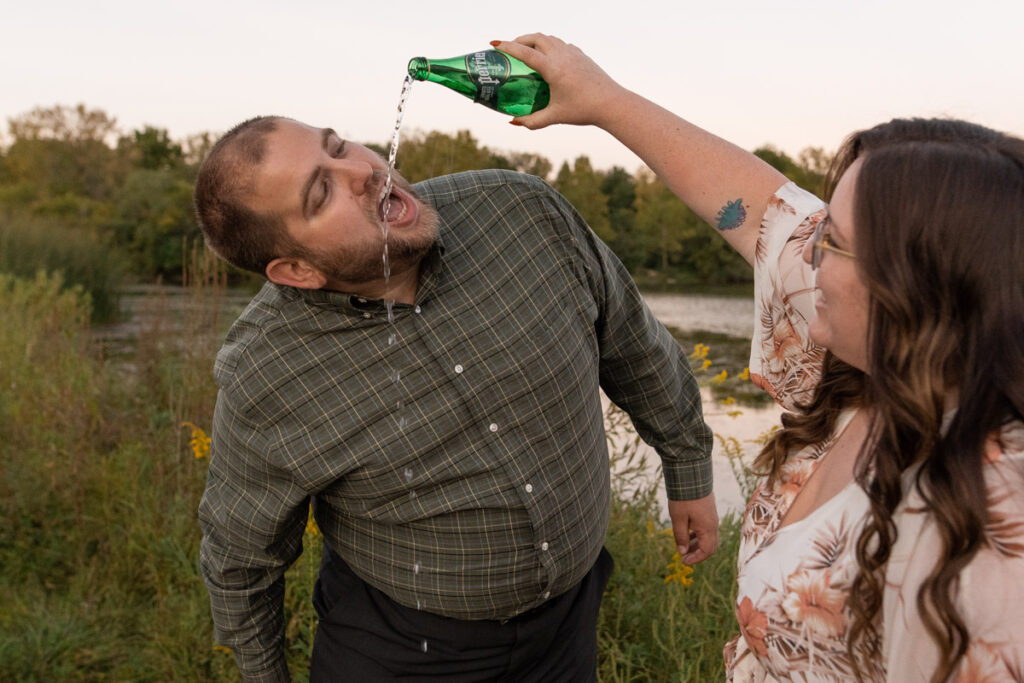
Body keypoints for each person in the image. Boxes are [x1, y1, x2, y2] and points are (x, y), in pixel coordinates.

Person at [491, 33, 1024, 681]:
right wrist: (603, 99)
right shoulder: (863, 368)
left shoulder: (987, 537)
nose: (809, 251)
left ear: (916, 290)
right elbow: (756, 213)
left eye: (833, 238)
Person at [192, 115, 718, 681]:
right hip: (403, 654)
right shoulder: (267, 374)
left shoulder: (521, 212)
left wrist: (687, 461)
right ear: (296, 269)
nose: (362, 172)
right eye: (322, 191)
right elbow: (242, 560)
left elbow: (632, 340)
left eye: (339, 146)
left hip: (569, 628)